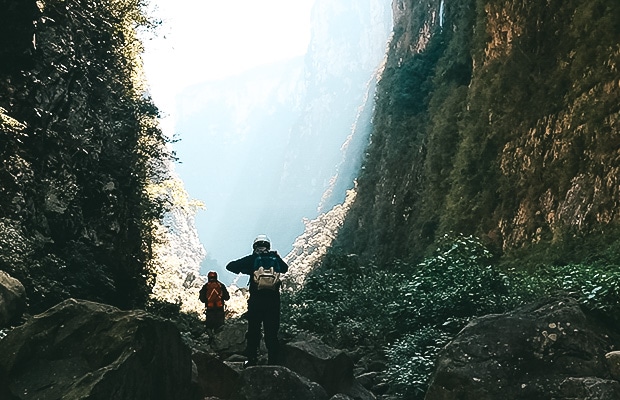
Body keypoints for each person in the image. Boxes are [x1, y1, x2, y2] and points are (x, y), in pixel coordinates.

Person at [226, 234, 288, 367]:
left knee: (254, 331)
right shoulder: (274, 258)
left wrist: (246, 269)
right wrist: (276, 257)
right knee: (271, 333)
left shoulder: (252, 259)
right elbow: (285, 268)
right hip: (273, 302)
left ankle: (251, 362)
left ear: (255, 246)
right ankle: (273, 364)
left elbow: (230, 266)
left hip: (256, 302)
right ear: (268, 246)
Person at [199, 271, 230, 338]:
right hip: (220, 309)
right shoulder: (221, 286)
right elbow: (227, 297)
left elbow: (202, 299)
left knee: (209, 327)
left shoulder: (206, 286)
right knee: (219, 326)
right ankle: (219, 341)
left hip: (210, 309)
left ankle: (211, 339)